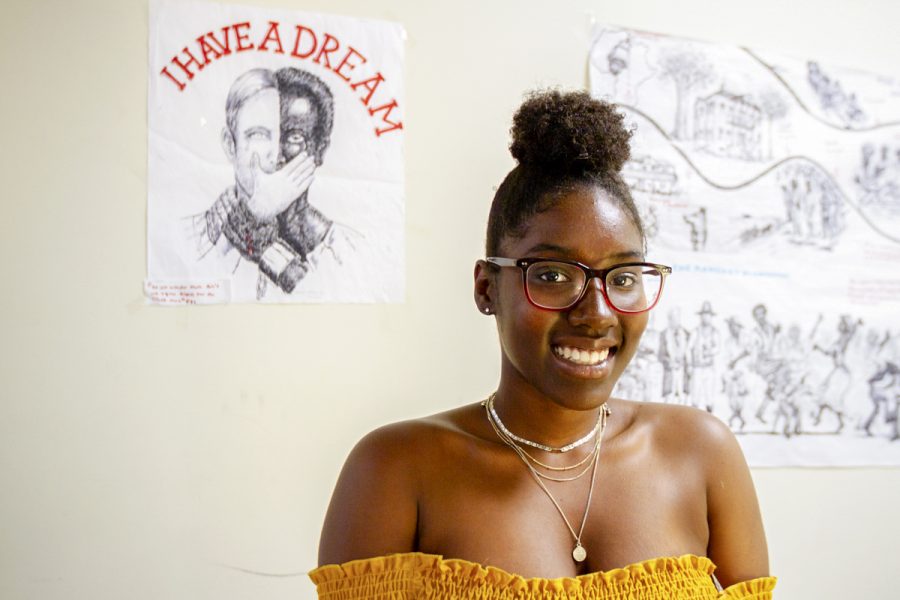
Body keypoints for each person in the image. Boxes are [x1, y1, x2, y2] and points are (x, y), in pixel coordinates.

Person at [311, 91, 774, 599]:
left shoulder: (702, 453)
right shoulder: (396, 470)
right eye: (552, 274)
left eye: (622, 278)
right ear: (488, 287)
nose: (597, 314)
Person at [191, 67, 373, 301]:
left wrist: (273, 258)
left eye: (294, 137)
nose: (275, 155)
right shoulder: (189, 241)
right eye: (259, 134)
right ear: (230, 144)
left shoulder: (351, 254)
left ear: (320, 150)